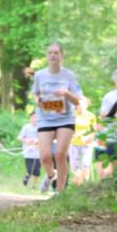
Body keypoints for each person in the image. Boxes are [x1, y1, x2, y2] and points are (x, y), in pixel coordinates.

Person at [31, 43, 82, 193]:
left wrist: (66, 93)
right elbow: (35, 93)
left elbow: (77, 101)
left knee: (60, 153)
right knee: (45, 155)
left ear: (61, 56)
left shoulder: (69, 75)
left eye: (56, 53)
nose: (53, 55)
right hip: (45, 118)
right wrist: (37, 101)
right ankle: (51, 175)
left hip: (65, 118)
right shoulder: (40, 75)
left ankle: (60, 192)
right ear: (47, 56)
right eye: (50, 53)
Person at [96, 69, 117, 181]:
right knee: (113, 163)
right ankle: (109, 186)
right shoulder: (109, 96)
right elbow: (103, 116)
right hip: (113, 136)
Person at [70, 97, 96, 184]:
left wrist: (90, 138)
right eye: (79, 104)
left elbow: (94, 130)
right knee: (75, 166)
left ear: (87, 105)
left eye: (83, 104)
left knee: (86, 164)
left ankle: (84, 182)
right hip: (74, 143)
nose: (81, 106)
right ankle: (79, 181)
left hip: (87, 144)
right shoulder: (71, 115)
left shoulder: (91, 116)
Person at [19, 112, 41, 187]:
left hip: (38, 152)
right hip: (28, 152)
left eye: (36, 117)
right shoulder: (26, 127)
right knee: (29, 169)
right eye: (33, 117)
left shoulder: (40, 127)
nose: (34, 119)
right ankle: (27, 176)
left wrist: (38, 141)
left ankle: (34, 185)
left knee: (37, 170)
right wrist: (26, 140)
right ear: (30, 119)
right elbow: (20, 137)